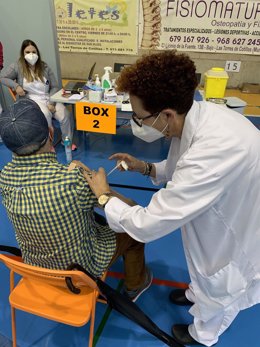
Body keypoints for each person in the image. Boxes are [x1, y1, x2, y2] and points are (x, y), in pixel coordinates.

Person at [82, 50, 260, 346]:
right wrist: (146, 167)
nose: (138, 124)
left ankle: (203, 333)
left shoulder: (214, 149)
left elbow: (149, 224)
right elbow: (182, 165)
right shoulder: (197, 117)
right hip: (224, 201)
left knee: (221, 279)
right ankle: (196, 294)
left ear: (166, 114)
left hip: (236, 225)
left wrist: (104, 198)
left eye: (139, 118)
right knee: (205, 270)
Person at [0, 98, 152, 302]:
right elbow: (131, 209)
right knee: (133, 233)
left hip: (36, 267)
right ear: (52, 133)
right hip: (79, 272)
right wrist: (92, 179)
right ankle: (136, 285)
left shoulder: (5, 177)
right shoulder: (73, 181)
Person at [0, 39, 76, 149]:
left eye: (34, 52)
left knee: (65, 115)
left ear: (37, 53)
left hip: (48, 97)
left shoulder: (44, 67)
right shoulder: (17, 66)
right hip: (31, 100)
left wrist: (51, 103)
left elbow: (55, 86)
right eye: (27, 52)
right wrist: (16, 86)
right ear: (23, 53)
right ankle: (48, 145)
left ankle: (66, 141)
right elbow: (3, 78)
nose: (31, 55)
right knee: (45, 114)